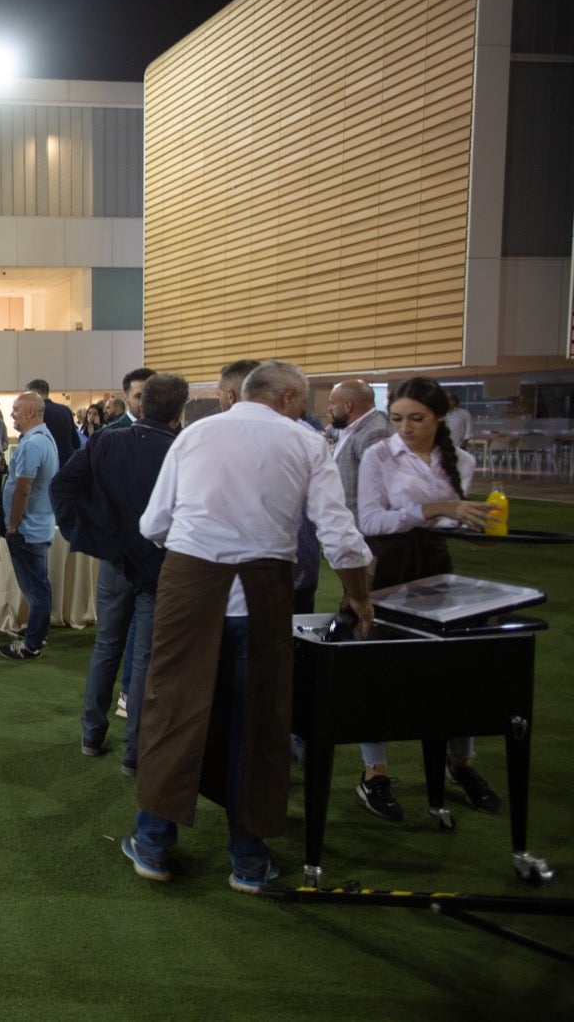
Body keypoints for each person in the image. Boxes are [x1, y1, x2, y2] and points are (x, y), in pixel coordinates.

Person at [121, 361, 373, 893]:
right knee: (259, 720)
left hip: (189, 586)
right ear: (286, 397)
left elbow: (153, 524)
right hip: (263, 593)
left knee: (171, 708)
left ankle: (153, 842)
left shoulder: (195, 435)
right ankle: (249, 860)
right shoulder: (306, 443)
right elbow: (338, 535)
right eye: (303, 401)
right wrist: (358, 595)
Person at [355, 375, 502, 819]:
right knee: (378, 672)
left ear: (440, 417)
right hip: (388, 569)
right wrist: (438, 508)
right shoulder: (378, 456)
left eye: (416, 418)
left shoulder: (461, 460)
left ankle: (462, 764)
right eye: (398, 418)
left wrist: (474, 527)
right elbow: (371, 521)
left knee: (455, 669)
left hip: (438, 572)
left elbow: (450, 523)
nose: (406, 428)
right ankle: (374, 773)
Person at [50, 373, 187, 775]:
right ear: (179, 411)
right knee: (142, 657)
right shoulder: (180, 450)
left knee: (108, 647)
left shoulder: (107, 440)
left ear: (140, 402)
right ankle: (134, 751)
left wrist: (96, 535)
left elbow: (63, 487)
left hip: (117, 561)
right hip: (157, 566)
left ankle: (92, 734)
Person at [0, 393, 59, 660]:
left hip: (27, 529)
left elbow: (23, 488)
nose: (12, 414)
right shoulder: (44, 439)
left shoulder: (33, 444)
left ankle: (32, 644)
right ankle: (37, 632)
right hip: (37, 525)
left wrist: (12, 525)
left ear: (31, 412)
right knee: (39, 585)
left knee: (36, 589)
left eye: (16, 409)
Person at [327, 378, 392, 527]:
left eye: (332, 403)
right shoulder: (352, 426)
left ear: (348, 406)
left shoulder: (375, 433)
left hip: (360, 528)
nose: (329, 409)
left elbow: (378, 494)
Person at [26, 379, 81, 468]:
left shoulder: (35, 412)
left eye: (28, 395)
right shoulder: (65, 411)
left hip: (45, 467)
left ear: (37, 392)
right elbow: (76, 443)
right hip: (66, 466)